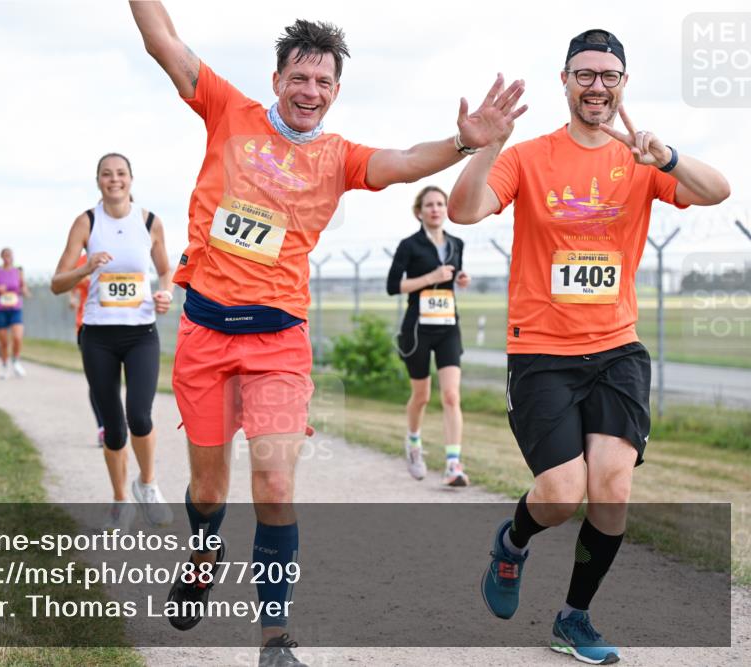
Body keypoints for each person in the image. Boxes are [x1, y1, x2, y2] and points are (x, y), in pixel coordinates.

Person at [129, 2, 525, 662]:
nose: (310, 92)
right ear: (278, 77)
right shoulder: (230, 111)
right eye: (300, 78)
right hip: (204, 338)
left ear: (335, 92)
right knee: (207, 489)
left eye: (324, 83)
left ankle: (276, 635)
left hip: (279, 341)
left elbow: (402, 160)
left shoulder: (339, 157)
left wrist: (463, 142)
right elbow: (161, 40)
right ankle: (204, 547)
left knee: (276, 484)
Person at [448, 29, 730, 665]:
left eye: (609, 75)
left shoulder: (641, 158)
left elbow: (718, 192)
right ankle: (513, 542)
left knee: (611, 488)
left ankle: (574, 617)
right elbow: (466, 212)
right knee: (559, 494)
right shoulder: (530, 157)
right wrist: (485, 149)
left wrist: (669, 158)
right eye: (585, 74)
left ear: (623, 83)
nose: (596, 85)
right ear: (566, 81)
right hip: (542, 351)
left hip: (616, 350)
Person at [51, 153, 175, 533]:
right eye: (107, 174)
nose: (114, 180)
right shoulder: (86, 222)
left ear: (131, 179)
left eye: (121, 174)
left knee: (140, 415)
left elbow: (165, 268)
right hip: (99, 336)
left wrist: (165, 292)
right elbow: (58, 282)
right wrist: (86, 268)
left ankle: (147, 485)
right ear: (98, 181)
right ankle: (121, 500)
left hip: (140, 333)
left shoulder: (150, 221)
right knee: (114, 425)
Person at [387, 186, 471, 486]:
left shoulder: (457, 243)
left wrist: (461, 278)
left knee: (451, 395)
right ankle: (413, 444)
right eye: (429, 205)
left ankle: (453, 464)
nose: (435, 209)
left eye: (440, 204)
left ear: (446, 208)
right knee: (421, 396)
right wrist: (429, 279)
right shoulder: (409, 245)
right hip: (417, 329)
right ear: (419, 211)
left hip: (448, 326)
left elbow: (454, 276)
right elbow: (393, 286)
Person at [68, 251, 106, 447]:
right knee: (97, 379)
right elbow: (71, 286)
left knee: (113, 379)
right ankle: (102, 427)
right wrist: (73, 298)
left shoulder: (121, 251)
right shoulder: (81, 260)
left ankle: (115, 422)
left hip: (119, 323)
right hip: (87, 323)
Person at [0, 248, 31, 379]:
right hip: (0, 310)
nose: (8, 257)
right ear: (1, 257)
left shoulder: (18, 272)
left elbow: (24, 287)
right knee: (4, 342)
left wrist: (25, 291)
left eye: (10, 255)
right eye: (5, 255)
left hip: (15, 308)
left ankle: (15, 360)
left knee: (17, 337)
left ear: (13, 256)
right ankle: (4, 365)